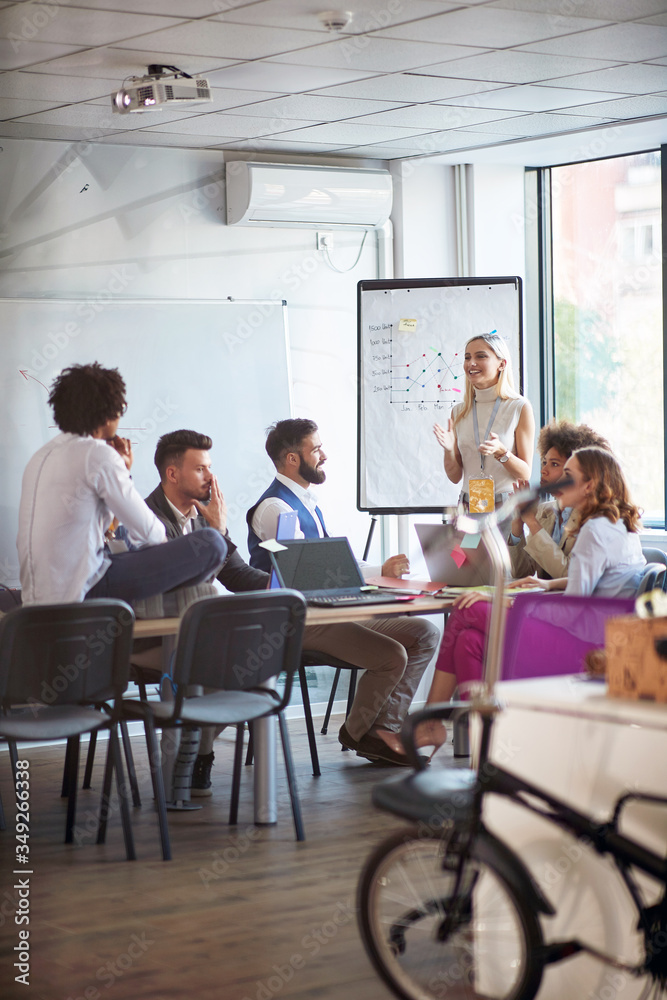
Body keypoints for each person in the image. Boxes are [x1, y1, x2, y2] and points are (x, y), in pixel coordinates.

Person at [422, 446, 646, 746]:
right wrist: (547, 586)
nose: (555, 482)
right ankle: (488, 746)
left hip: (582, 646)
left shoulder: (594, 531)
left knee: (465, 610)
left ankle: (431, 724)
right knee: (468, 643)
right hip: (597, 636)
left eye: (567, 474)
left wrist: (512, 602)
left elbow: (572, 612)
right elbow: (602, 583)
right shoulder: (618, 525)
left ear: (590, 485)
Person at [247, 418, 440, 765]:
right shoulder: (276, 508)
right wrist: (378, 572)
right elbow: (311, 573)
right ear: (292, 459)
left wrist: (381, 569)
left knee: (424, 633)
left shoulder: (307, 503)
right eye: (316, 448)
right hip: (299, 623)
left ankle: (380, 731)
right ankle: (362, 733)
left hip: (331, 615)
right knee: (392, 654)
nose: (324, 455)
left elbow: (333, 561)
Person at [17, 364, 226, 606]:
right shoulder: (97, 454)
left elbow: (100, 532)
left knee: (124, 544)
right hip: (85, 589)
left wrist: (122, 471)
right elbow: (151, 533)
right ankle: (160, 604)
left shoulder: (41, 456)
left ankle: (163, 602)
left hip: (37, 595)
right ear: (108, 412)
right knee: (212, 543)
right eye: (121, 408)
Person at [142, 429, 272, 795]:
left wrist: (283, 585)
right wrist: (217, 532)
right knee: (222, 663)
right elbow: (178, 585)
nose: (211, 478)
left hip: (199, 636)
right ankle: (193, 759)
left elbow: (238, 574)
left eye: (210, 468)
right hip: (157, 636)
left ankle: (198, 753)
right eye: (200, 469)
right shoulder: (146, 519)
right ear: (172, 474)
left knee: (252, 661)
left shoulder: (203, 518)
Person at [433, 332, 535, 512]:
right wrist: (449, 450)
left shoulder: (519, 407)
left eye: (480, 356)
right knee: (463, 542)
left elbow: (525, 473)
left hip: (506, 507)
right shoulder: (459, 411)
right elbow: (455, 477)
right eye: (467, 357)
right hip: (468, 505)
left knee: (505, 542)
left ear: (502, 364)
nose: (471, 363)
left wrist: (502, 452)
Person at [508, 419, 611, 580]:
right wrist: (517, 523)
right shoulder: (544, 511)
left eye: (554, 464)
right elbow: (521, 572)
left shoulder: (594, 518)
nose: (544, 471)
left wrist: (531, 522)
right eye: (544, 462)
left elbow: (568, 575)